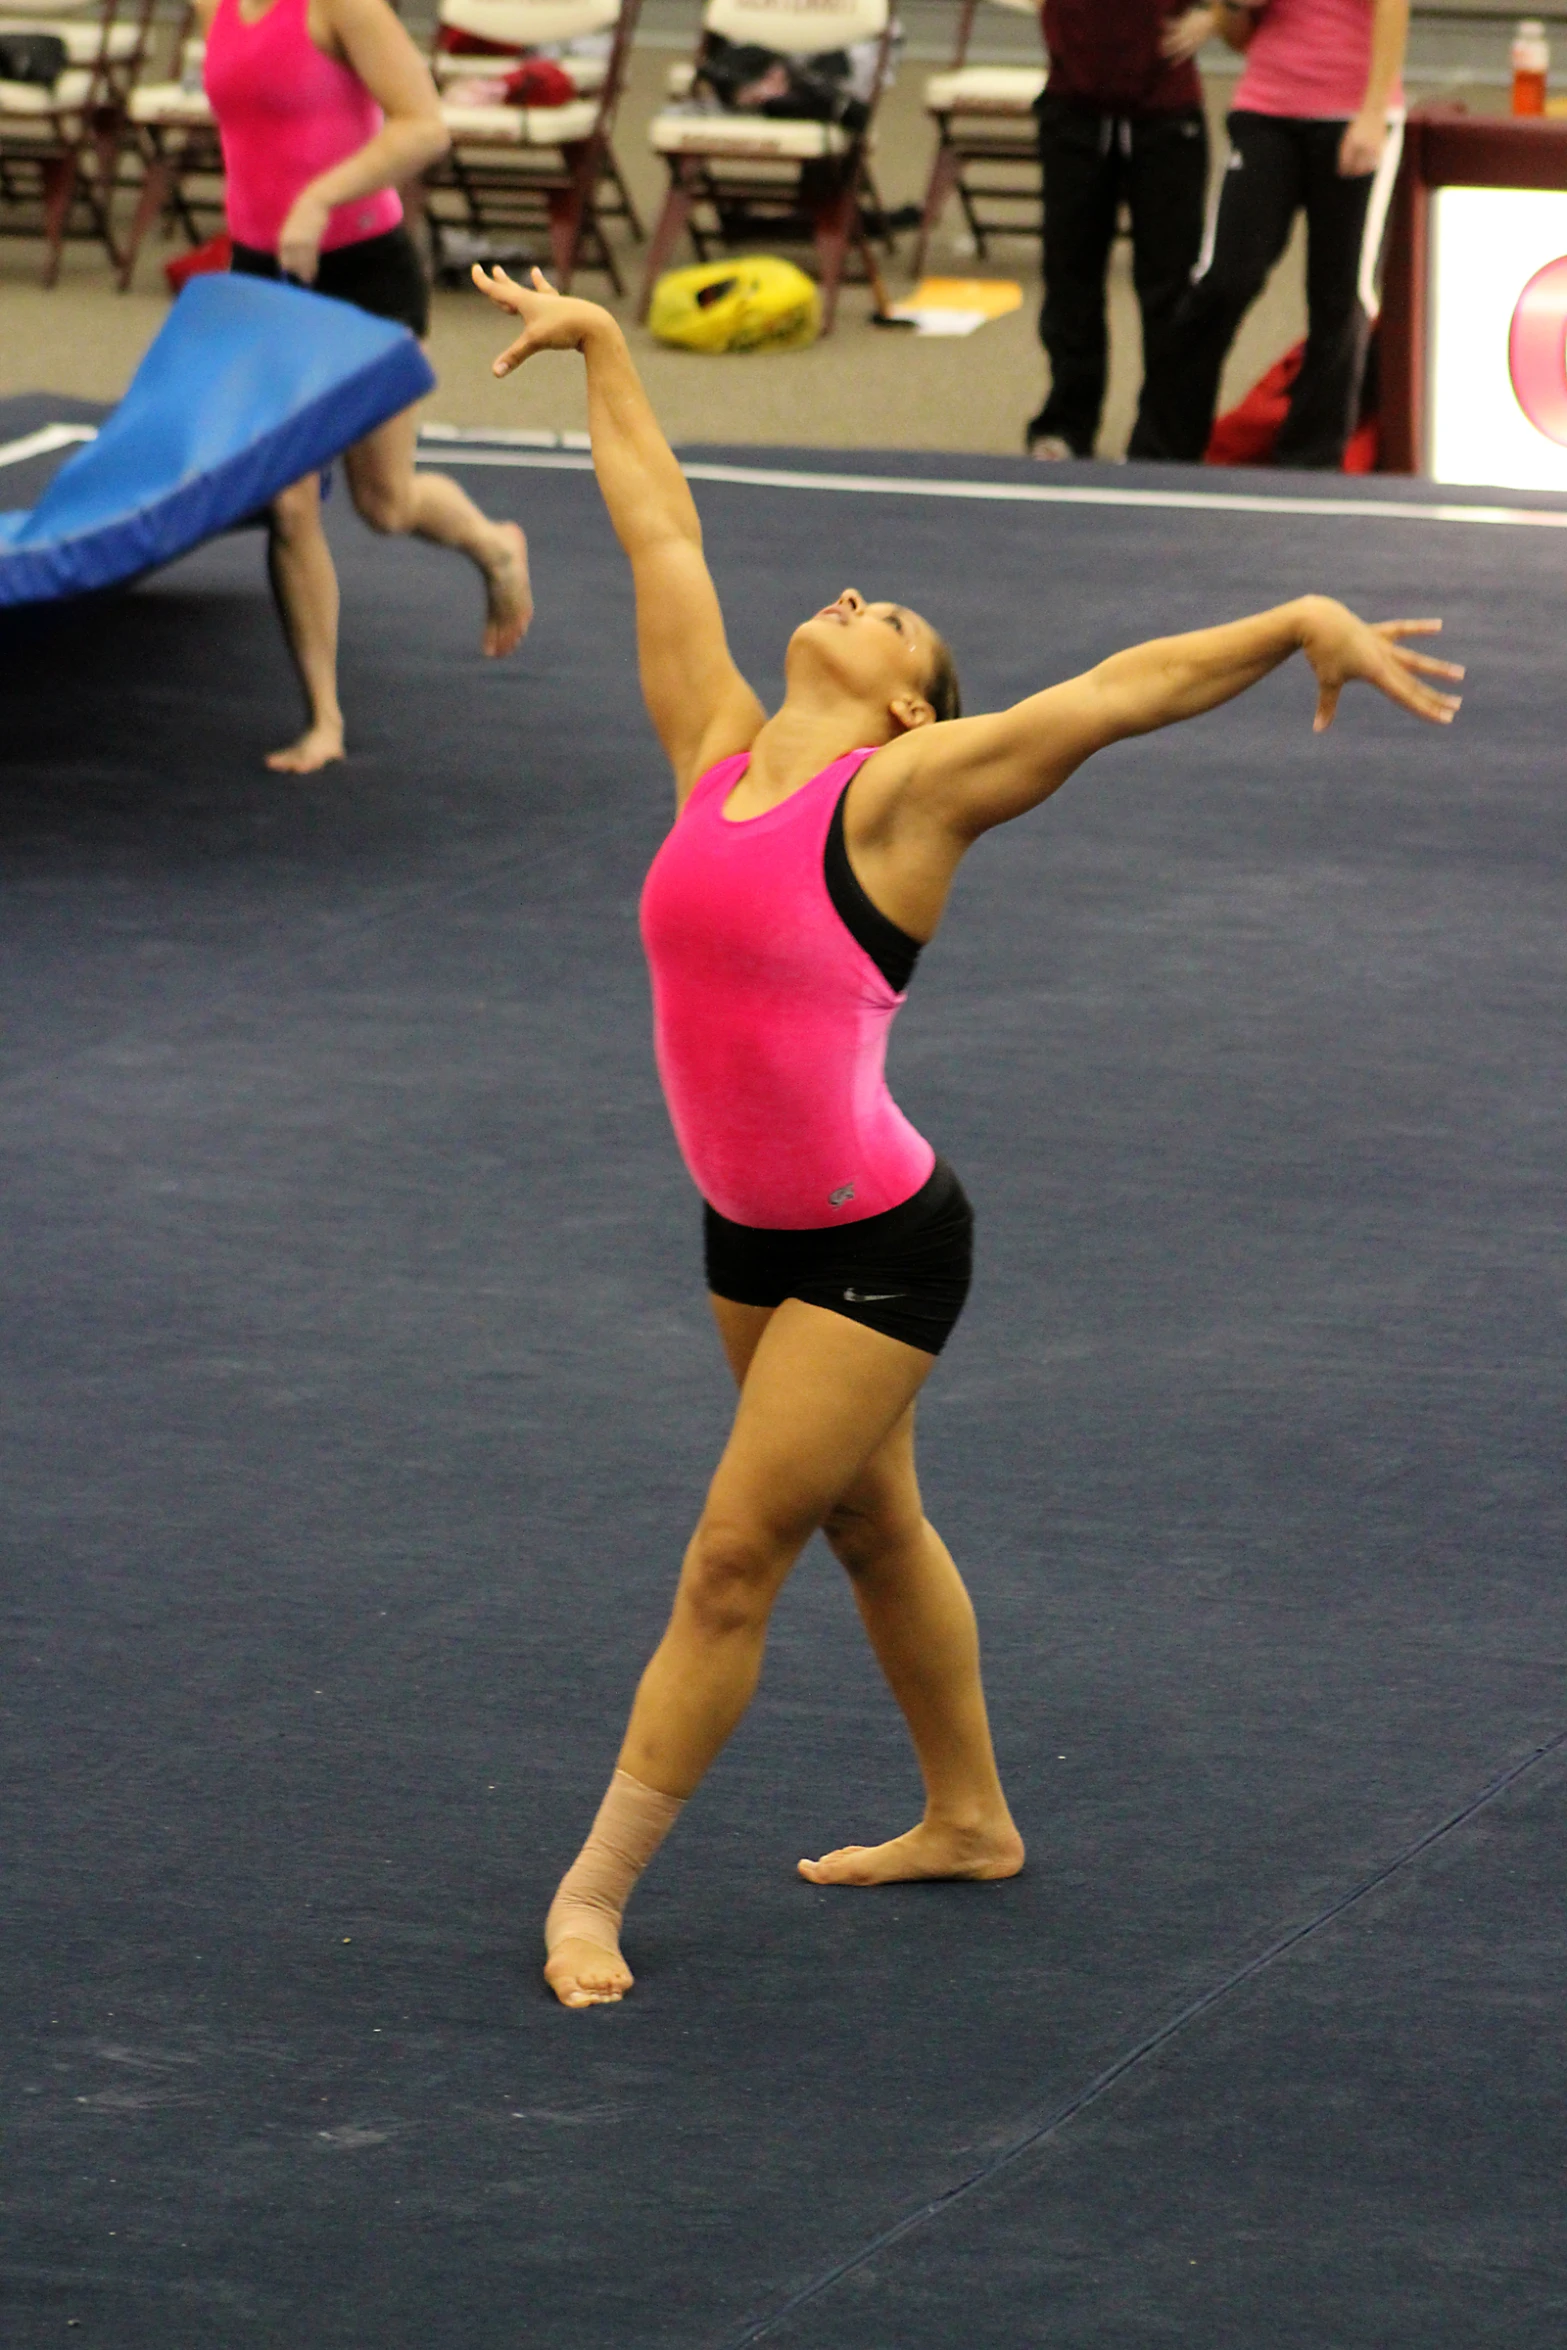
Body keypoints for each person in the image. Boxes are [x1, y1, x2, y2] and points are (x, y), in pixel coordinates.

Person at [474, 265, 1462, 2010]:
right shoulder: (713, 754)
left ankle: (591, 1896)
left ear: (913, 708)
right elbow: (660, 538)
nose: (852, 596)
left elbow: (1112, 692)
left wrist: (1294, 609)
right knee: (870, 1530)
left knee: (731, 1559)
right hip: (746, 1234)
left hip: (874, 1238)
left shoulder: (909, 797)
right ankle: (972, 1816)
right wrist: (609, 352)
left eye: (890, 617)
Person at [201, 0, 533, 771]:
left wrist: (319, 197)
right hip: (266, 274)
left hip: (360, 272)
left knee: (384, 503)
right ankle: (323, 719)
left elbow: (424, 124)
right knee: (289, 501)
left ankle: (495, 551)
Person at [1128, 0, 1409, 469]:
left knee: (1342, 295)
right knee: (1224, 279)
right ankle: (1160, 451)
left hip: (1353, 114)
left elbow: (1393, 8)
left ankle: (1311, 461)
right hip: (1267, 110)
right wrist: (1229, 9)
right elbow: (1243, 35)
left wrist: (1373, 111)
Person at [1027, 1, 1216, 460]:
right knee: (1069, 279)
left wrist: (1218, 14)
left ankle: (1164, 440)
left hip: (1166, 114)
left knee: (1170, 286)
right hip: (1073, 107)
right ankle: (1068, 424)